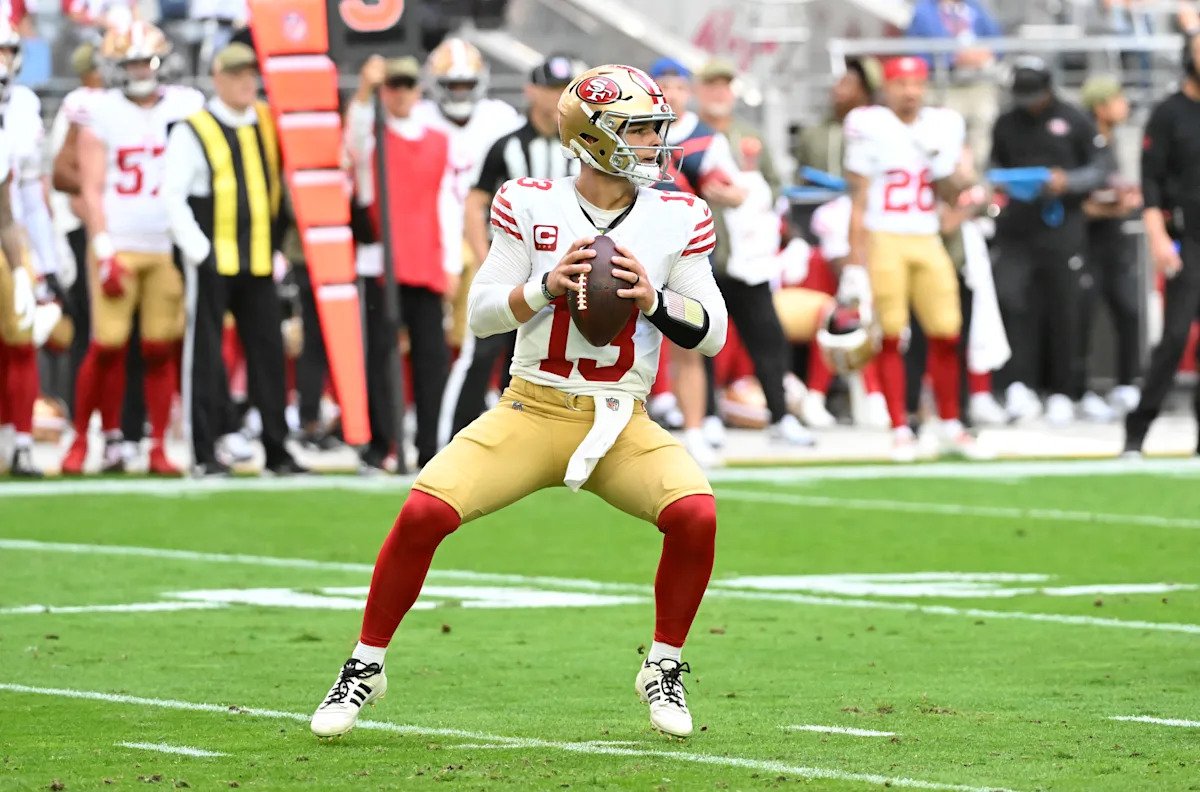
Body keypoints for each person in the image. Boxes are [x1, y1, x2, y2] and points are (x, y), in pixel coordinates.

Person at [310, 63, 727, 741]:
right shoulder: (529, 202)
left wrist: (654, 300)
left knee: (696, 514)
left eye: (657, 129)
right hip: (532, 409)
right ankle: (365, 663)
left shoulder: (679, 215)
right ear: (592, 136)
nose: (655, 142)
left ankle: (664, 664)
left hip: (621, 417)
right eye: (639, 130)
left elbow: (713, 333)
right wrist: (544, 288)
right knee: (422, 512)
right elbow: (479, 314)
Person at [62, 19, 203, 476]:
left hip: (166, 244)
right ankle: (81, 439)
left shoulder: (185, 106)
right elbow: (89, 185)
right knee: (107, 345)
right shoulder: (100, 110)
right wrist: (103, 248)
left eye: (146, 60)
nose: (140, 69)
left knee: (160, 346)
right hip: (119, 243)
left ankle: (158, 445)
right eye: (131, 62)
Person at [163, 42, 306, 476]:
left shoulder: (266, 120)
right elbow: (172, 195)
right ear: (218, 78)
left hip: (259, 258)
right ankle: (204, 451)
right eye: (237, 75)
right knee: (206, 353)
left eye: (251, 74)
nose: (247, 82)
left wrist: (280, 246)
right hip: (213, 258)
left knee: (268, 353)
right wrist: (198, 249)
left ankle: (277, 449)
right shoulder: (194, 128)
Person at [844, 56, 981, 461]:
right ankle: (900, 428)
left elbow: (952, 193)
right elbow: (859, 198)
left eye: (917, 83)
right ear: (887, 87)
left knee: (947, 331)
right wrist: (854, 262)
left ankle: (950, 422)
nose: (910, 91)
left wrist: (958, 173)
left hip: (927, 234)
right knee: (891, 335)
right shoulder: (869, 124)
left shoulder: (943, 125)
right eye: (902, 83)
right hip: (885, 235)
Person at [440, 53, 580, 444]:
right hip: (511, 269)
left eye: (564, 90)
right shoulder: (507, 145)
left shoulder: (580, 147)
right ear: (531, 91)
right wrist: (485, 260)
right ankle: (452, 443)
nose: (557, 98)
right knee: (483, 352)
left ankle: (528, 443)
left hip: (561, 272)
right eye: (550, 89)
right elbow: (474, 202)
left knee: (541, 357)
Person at [345, 55, 459, 468]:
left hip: (425, 262)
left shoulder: (438, 140)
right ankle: (383, 444)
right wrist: (364, 90)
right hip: (381, 265)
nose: (401, 94)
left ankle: (431, 448)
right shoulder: (373, 138)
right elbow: (355, 140)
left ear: (418, 90)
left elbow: (447, 203)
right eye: (393, 86)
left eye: (408, 85)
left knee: (432, 360)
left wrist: (451, 263)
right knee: (379, 358)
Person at [694, 57, 812, 445]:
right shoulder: (689, 136)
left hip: (747, 257)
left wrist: (751, 197)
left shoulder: (749, 135)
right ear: (699, 90)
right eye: (711, 85)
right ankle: (706, 415)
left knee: (768, 335)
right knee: (703, 337)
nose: (718, 93)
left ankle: (780, 414)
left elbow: (775, 188)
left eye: (724, 86)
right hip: (702, 254)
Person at [990, 57, 1111, 426]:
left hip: (1063, 226)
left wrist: (1068, 182)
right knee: (1014, 302)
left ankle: (1064, 390)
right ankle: (1019, 386)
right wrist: (1008, 184)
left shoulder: (1074, 119)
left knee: (1066, 308)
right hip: (1018, 227)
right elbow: (993, 167)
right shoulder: (1006, 123)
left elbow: (1099, 168)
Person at [648, 56, 744, 466]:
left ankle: (694, 429)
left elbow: (733, 189)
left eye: (677, 86)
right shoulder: (628, 127)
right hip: (634, 243)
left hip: (683, 250)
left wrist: (727, 193)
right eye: (663, 86)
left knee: (688, 340)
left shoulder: (705, 138)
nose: (671, 94)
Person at [1124, 34, 1200, 455]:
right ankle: (1137, 431)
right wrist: (1158, 236)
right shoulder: (1169, 114)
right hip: (1186, 239)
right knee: (1175, 336)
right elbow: (1150, 182)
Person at [0, 19, 59, 477]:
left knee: (20, 339)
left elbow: (11, 209)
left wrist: (29, 268)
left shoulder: (16, 119)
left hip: (8, 239)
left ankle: (18, 441)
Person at [1080, 75, 1142, 420]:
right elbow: (1080, 198)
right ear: (1100, 106)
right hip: (1088, 241)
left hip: (1115, 241)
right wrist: (1110, 206)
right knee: (1083, 316)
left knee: (1129, 311)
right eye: (1117, 99)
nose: (1124, 105)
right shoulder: (1085, 140)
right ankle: (1080, 389)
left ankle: (1127, 384)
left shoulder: (1115, 140)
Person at [905, 0, 1002, 168]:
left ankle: (975, 174)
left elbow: (997, 40)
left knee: (981, 130)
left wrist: (985, 54)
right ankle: (947, 175)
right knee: (945, 136)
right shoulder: (924, 10)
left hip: (978, 82)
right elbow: (916, 50)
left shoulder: (974, 6)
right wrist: (952, 59)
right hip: (945, 85)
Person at [792, 57, 880, 179]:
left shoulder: (879, 133)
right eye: (840, 82)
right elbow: (799, 178)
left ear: (865, 93)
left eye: (849, 84)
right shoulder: (812, 135)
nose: (838, 89)